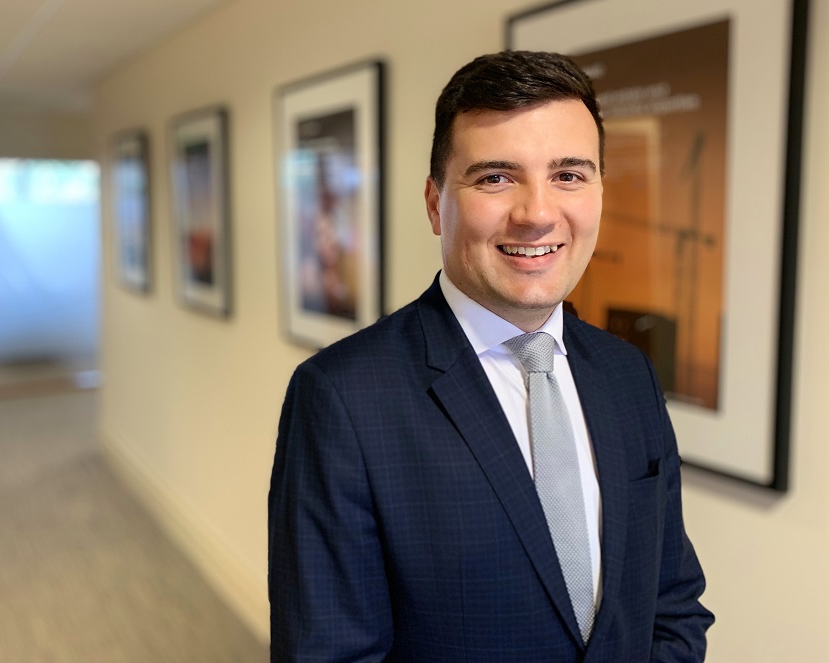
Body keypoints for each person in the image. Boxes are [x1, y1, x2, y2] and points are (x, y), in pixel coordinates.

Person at [268, 51, 713, 662]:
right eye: (496, 178)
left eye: (569, 175)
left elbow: (673, 605)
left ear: (599, 194)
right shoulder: (343, 398)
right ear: (435, 203)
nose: (537, 214)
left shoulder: (626, 373)